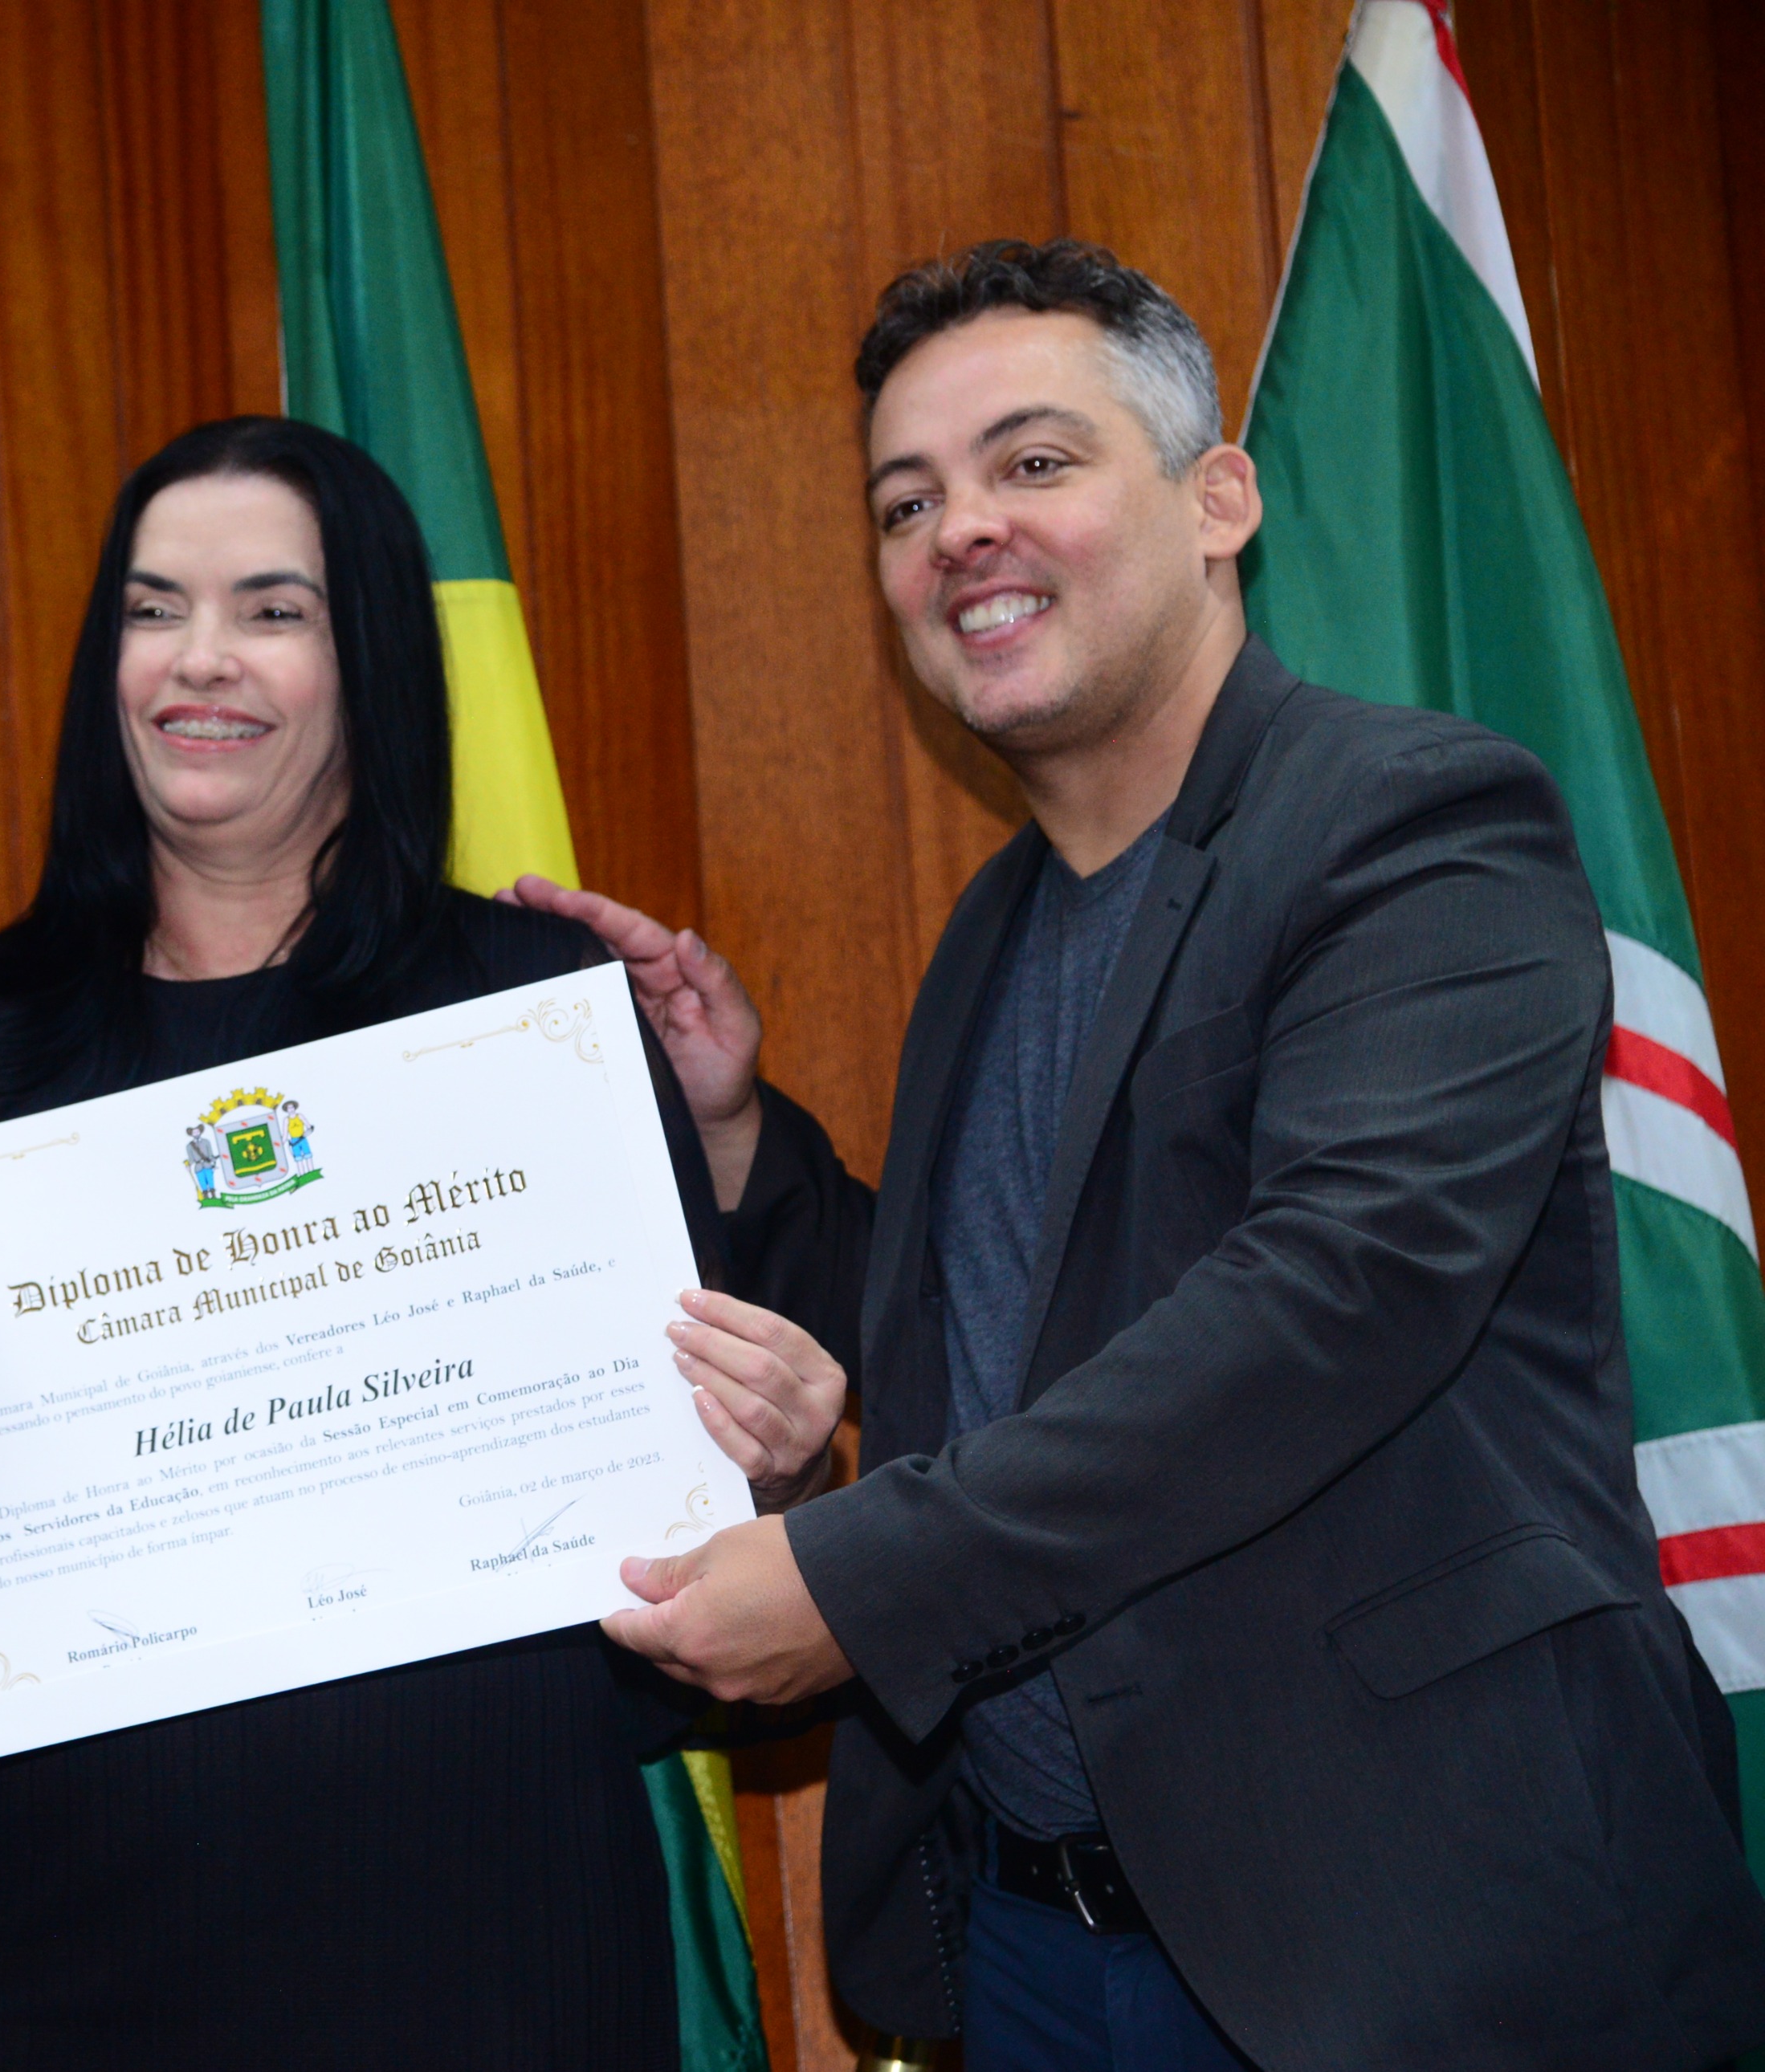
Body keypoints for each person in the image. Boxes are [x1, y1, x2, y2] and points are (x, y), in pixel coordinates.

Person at [515, 240, 1765, 2070]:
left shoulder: (1420, 822)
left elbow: (1325, 1304)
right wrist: (736, 1132)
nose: (961, 531)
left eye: (1033, 462)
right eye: (906, 502)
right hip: (1036, 1940)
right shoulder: (993, 927)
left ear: (1217, 501)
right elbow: (1008, 1345)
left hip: (1404, 1934)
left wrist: (860, 1582)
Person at [0, 416, 846, 2070]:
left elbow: (699, 1536)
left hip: (485, 1935)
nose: (198, 658)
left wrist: (758, 1468)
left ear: (372, 665)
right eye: (152, 608)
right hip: (54, 1949)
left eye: (271, 609)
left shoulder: (529, 1014)